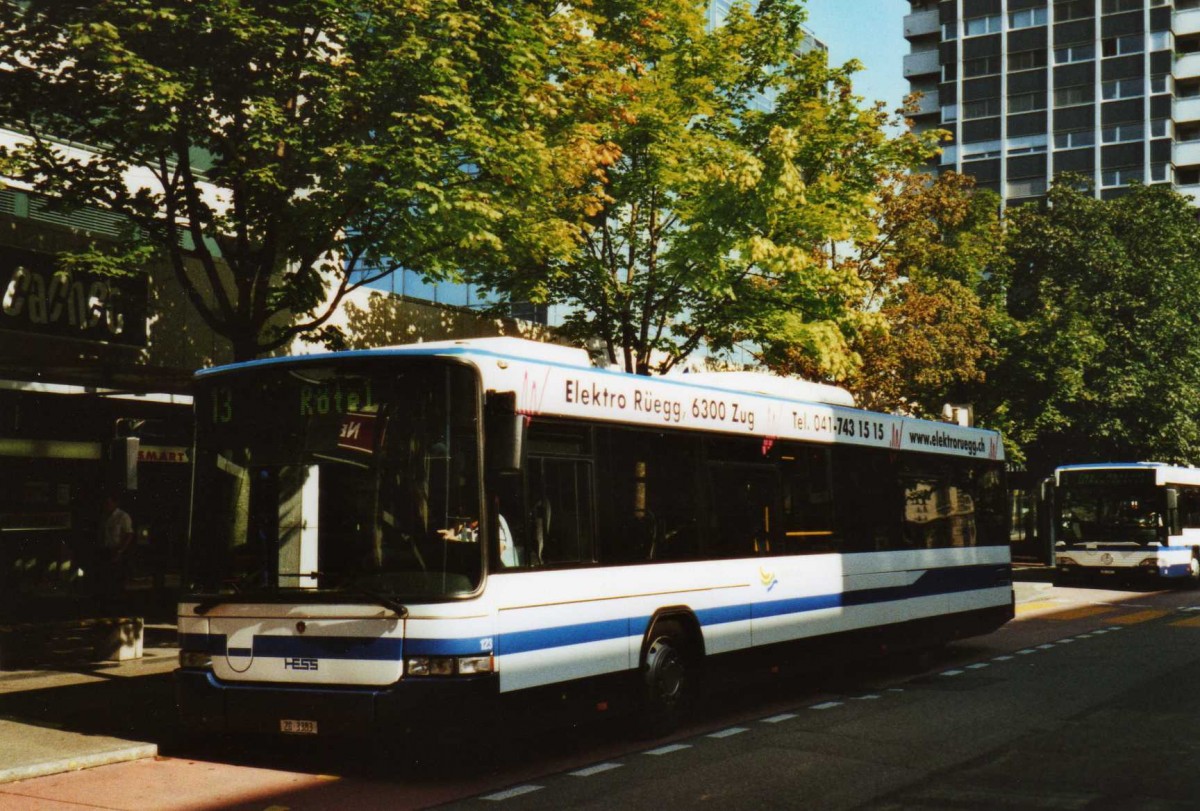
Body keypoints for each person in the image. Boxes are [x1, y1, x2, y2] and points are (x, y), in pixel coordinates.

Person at [100, 493, 134, 600]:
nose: (107, 505)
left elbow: (129, 534)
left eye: (109, 503)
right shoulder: (105, 516)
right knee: (108, 576)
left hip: (117, 549)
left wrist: (120, 551)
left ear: (115, 503)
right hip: (107, 549)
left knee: (117, 576)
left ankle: (118, 600)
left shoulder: (123, 516)